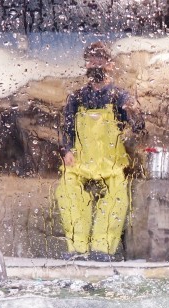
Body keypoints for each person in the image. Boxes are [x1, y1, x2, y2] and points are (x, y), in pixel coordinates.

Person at [55, 41, 145, 261]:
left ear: (110, 65)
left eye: (100, 59)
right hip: (81, 161)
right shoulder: (76, 98)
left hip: (110, 162)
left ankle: (102, 250)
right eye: (91, 59)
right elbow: (66, 129)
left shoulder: (119, 96)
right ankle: (77, 249)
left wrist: (134, 112)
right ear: (86, 64)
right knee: (67, 190)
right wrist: (66, 151)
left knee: (117, 196)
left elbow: (139, 127)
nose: (96, 63)